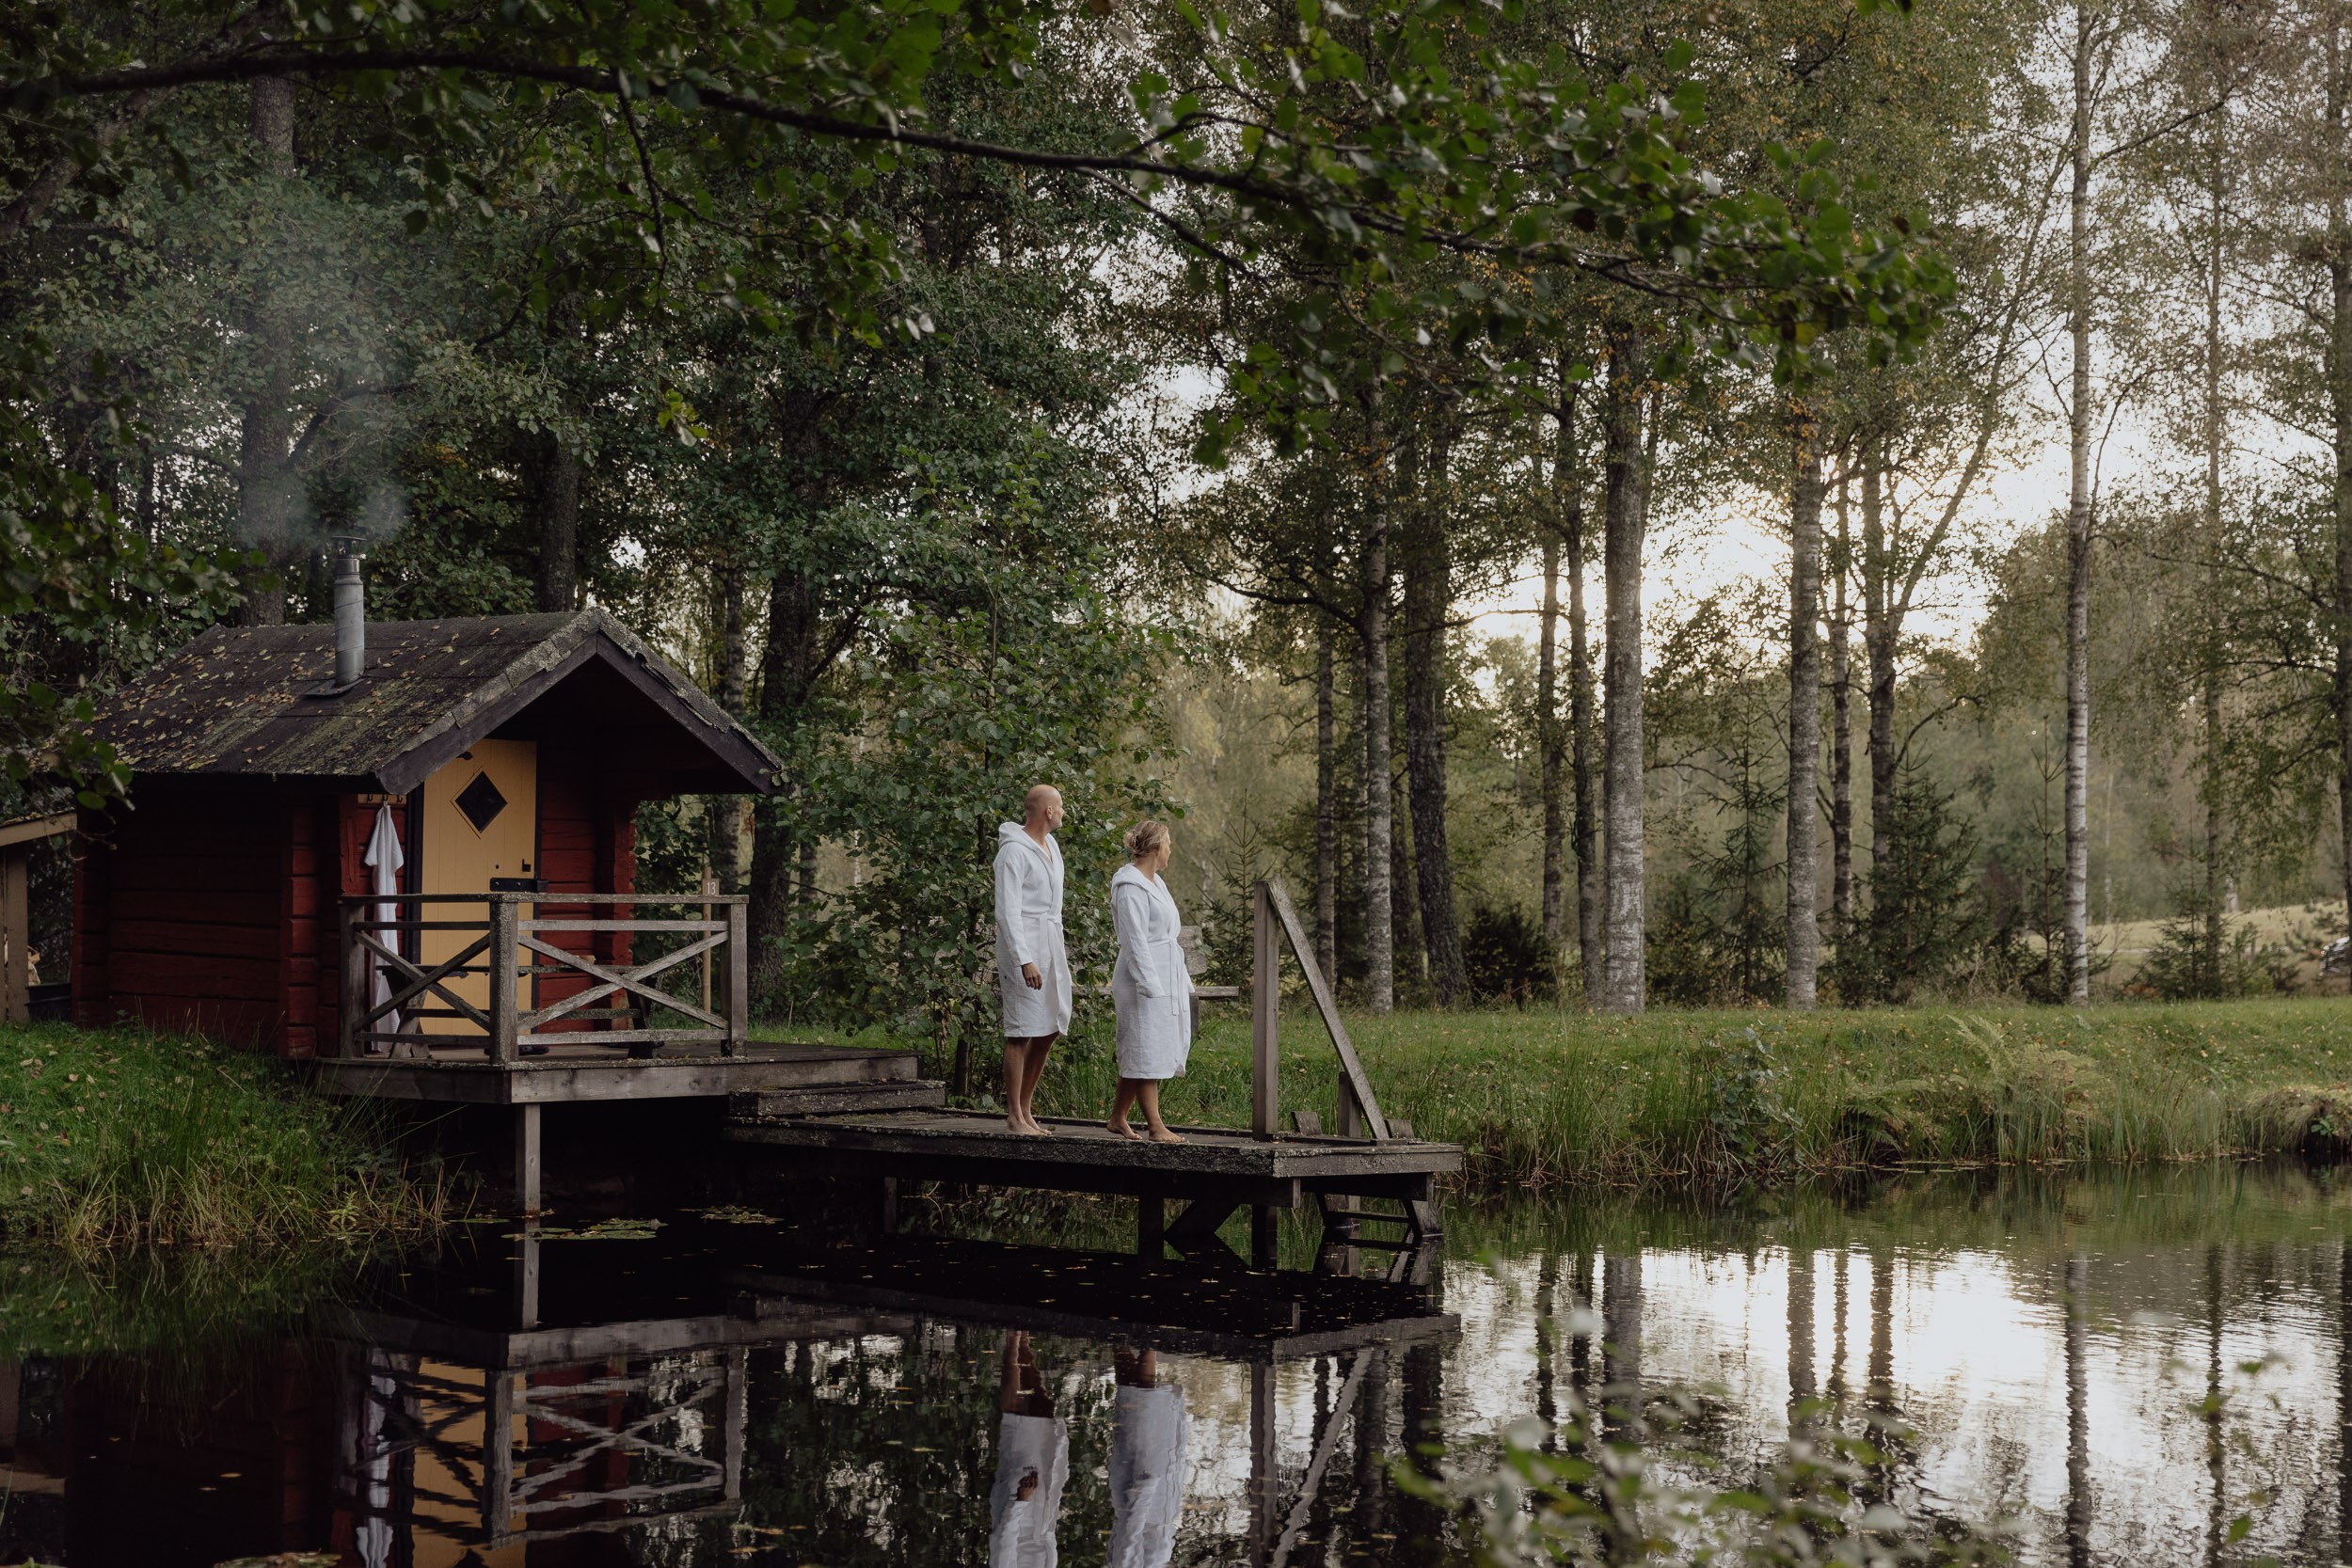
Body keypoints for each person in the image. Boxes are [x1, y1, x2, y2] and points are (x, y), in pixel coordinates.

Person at [1107, 820, 1193, 1144]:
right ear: (1156, 848)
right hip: (1141, 978)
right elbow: (1134, 941)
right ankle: (1156, 1126)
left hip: (1163, 974)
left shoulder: (1156, 883)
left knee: (1142, 1047)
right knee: (1146, 1048)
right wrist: (1150, 984)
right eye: (1169, 844)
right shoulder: (1130, 886)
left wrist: (1176, 981)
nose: (1171, 850)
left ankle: (1117, 1118)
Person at [995, 784, 1071, 1136]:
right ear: (1048, 812)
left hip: (1050, 943)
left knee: (1051, 1026)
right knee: (1021, 1030)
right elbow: (1007, 912)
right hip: (1022, 946)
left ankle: (1026, 1109)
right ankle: (1014, 1116)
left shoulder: (1051, 846)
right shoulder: (1013, 853)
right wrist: (1024, 959)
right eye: (1061, 806)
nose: (1065, 811)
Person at [989, 1330, 1069, 1568]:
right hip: (1043, 1506)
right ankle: (1023, 1341)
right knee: (1043, 1409)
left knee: (1015, 1417)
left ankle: (1012, 1340)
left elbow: (1002, 1540)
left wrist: (1019, 1502)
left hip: (1019, 1501)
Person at [1107, 1344, 1188, 1568]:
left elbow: (1127, 1535)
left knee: (1144, 1396)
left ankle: (1147, 1330)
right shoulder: (1159, 1560)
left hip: (1143, 1486)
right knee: (1131, 1393)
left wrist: (1144, 1488)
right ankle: (1120, 1330)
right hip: (1148, 1490)